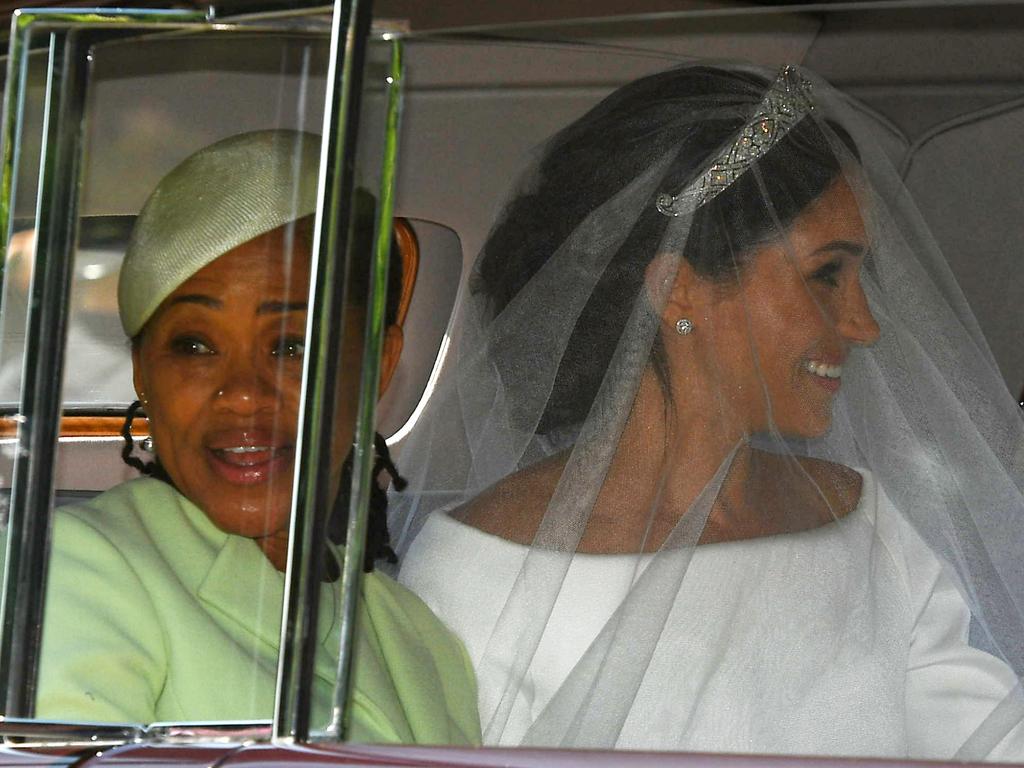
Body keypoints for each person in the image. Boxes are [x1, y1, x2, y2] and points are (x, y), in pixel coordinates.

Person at [390, 63, 1024, 758]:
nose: (865, 324)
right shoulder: (478, 571)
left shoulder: (873, 527)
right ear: (678, 291)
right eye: (826, 274)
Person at [36, 130, 480, 745]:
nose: (242, 393)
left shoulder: (421, 644)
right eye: (194, 346)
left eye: (292, 346)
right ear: (143, 370)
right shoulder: (71, 571)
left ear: (377, 365)